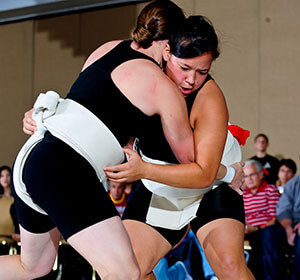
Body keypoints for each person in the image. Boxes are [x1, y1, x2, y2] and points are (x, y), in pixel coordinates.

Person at [0, 1, 196, 279]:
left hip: (33, 156)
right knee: (125, 273)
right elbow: (191, 164)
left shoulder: (106, 48)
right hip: (64, 169)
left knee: (33, 266)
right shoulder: (163, 88)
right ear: (169, 46)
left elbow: (84, 107)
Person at [105, 16, 253, 280]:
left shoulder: (209, 98)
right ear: (166, 52)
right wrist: (46, 115)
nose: (190, 80)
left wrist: (144, 169)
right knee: (127, 272)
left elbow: (205, 174)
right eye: (184, 68)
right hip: (160, 187)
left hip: (212, 185)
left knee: (230, 266)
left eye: (202, 72)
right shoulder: (142, 74)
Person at [243, 159, 281, 279]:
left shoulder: (270, 190)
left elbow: (274, 219)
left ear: (260, 174)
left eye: (252, 175)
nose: (248, 178)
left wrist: (257, 227)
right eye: (245, 176)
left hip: (268, 229)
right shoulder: (244, 194)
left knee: (265, 236)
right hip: (251, 231)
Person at [275, 174, 300, 280]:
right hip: (291, 224)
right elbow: (283, 209)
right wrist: (288, 230)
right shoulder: (294, 183)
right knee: (269, 235)